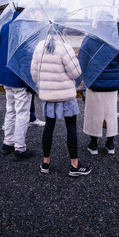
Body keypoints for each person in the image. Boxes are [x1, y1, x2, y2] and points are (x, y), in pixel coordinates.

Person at [31, 26, 91, 177]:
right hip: (65, 95)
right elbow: (76, 72)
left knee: (49, 127)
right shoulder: (65, 48)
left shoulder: (39, 46)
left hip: (48, 95)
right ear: (63, 31)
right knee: (71, 127)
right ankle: (74, 165)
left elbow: (34, 73)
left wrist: (42, 84)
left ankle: (45, 163)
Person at [79, 32, 119, 155]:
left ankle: (93, 144)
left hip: (94, 82)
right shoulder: (116, 39)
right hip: (112, 83)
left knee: (93, 113)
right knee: (110, 113)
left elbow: (81, 61)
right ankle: (110, 144)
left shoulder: (90, 39)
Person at [0, 3, 35, 161]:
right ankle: (20, 148)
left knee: (10, 110)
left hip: (6, 75)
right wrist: (30, 82)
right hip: (20, 78)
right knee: (22, 113)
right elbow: (27, 57)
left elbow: (2, 47)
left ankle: (8, 143)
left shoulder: (5, 26)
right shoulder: (25, 29)